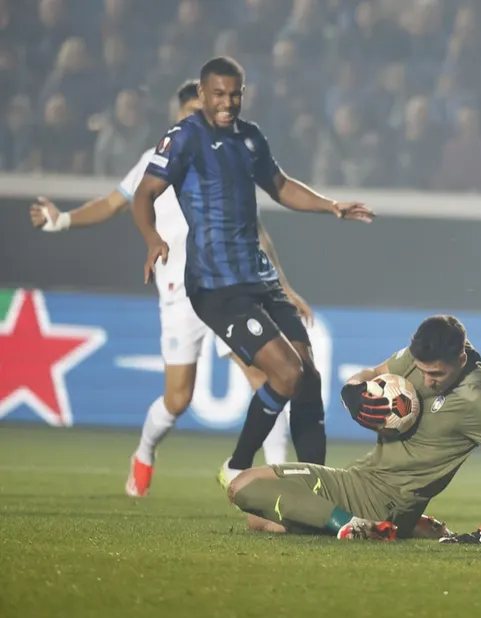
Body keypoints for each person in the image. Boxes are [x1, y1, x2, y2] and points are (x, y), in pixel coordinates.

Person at [27, 80, 310, 497]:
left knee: (266, 375)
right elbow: (112, 203)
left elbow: (256, 233)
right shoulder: (154, 160)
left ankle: (279, 479)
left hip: (226, 287)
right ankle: (144, 451)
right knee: (177, 399)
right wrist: (63, 220)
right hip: (180, 295)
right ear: (179, 116)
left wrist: (284, 287)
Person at [129, 56, 374, 484]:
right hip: (216, 285)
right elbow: (143, 194)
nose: (227, 103)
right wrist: (152, 238)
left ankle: (317, 484)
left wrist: (330, 206)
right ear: (202, 94)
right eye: (218, 94)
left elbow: (280, 186)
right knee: (286, 373)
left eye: (235, 94)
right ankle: (238, 465)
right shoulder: (184, 137)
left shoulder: (250, 137)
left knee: (308, 376)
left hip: (258, 276)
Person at [225, 315, 481, 542]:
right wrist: (352, 391)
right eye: (423, 371)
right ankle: (402, 526)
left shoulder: (478, 400)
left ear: (461, 358)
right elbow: (372, 373)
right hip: (359, 479)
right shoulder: (422, 354)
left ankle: (354, 525)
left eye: (436, 375)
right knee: (259, 518)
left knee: (242, 486)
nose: (427, 380)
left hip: (381, 501)